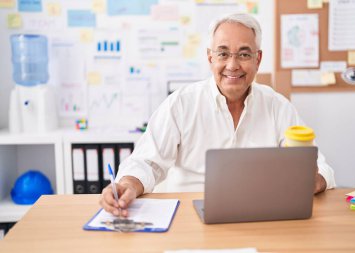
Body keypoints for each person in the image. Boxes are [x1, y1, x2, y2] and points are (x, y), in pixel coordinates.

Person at [100, 13, 336, 217]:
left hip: (260, 217)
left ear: (258, 59)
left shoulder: (278, 106)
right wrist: (127, 184)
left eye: (244, 54)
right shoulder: (180, 104)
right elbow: (146, 162)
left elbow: (321, 167)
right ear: (210, 58)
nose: (232, 65)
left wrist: (313, 180)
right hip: (188, 216)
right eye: (223, 54)